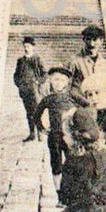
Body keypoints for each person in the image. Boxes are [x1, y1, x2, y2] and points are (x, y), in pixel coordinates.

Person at [33, 65, 89, 196]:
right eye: (56, 80)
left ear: (67, 82)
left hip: (71, 136)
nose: (59, 83)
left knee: (73, 161)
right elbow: (36, 115)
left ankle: (74, 190)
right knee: (56, 164)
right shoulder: (48, 99)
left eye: (62, 80)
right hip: (55, 136)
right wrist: (42, 128)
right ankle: (59, 193)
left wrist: (76, 114)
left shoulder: (72, 96)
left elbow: (87, 106)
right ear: (51, 81)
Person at [68, 25, 106, 108]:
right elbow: (67, 87)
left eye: (95, 39)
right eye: (88, 39)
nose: (91, 44)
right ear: (84, 40)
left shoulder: (104, 63)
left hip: (100, 105)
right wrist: (83, 102)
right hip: (80, 105)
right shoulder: (74, 61)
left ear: (101, 41)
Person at [13, 36, 46, 141]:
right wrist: (19, 84)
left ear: (33, 47)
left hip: (35, 90)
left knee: (37, 111)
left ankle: (40, 133)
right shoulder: (20, 60)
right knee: (28, 112)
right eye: (25, 46)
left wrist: (37, 82)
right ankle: (32, 134)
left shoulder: (37, 59)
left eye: (28, 46)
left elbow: (44, 74)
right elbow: (16, 75)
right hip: (24, 90)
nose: (26, 48)